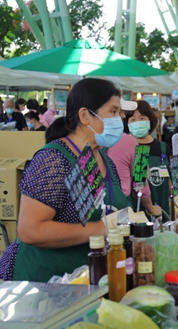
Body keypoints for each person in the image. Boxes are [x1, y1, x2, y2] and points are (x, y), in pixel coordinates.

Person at [0, 78, 130, 282]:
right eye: (113, 112)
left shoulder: (105, 161)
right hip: (42, 284)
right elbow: (29, 230)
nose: (120, 118)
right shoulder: (53, 160)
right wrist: (99, 229)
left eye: (120, 112)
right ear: (85, 115)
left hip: (87, 281)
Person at [108, 99, 162, 217]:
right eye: (117, 112)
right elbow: (140, 181)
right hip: (122, 208)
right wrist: (151, 208)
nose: (122, 116)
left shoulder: (87, 143)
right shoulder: (130, 141)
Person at [124, 100, 172, 219]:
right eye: (133, 120)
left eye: (142, 118)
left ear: (150, 119)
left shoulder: (162, 147)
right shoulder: (129, 148)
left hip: (163, 211)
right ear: (127, 124)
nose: (138, 123)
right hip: (138, 212)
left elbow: (171, 180)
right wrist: (150, 207)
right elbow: (139, 184)